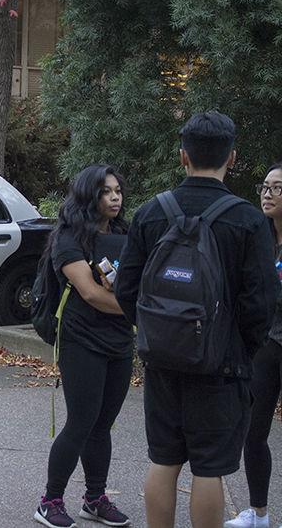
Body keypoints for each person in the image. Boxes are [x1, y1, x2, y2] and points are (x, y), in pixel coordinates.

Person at [115, 112, 279, 528]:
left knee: (163, 459)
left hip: (163, 359)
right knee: (210, 468)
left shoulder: (153, 213)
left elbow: (126, 288)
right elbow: (260, 300)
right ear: (233, 157)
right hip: (223, 364)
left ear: (182, 156)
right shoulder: (247, 220)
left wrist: (157, 332)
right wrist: (241, 346)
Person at [34, 164, 133, 528]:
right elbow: (91, 293)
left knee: (103, 424)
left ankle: (95, 498)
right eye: (106, 191)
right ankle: (50, 501)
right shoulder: (69, 238)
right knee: (81, 421)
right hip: (81, 339)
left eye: (118, 190)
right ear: (89, 195)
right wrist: (139, 309)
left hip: (120, 339)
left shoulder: (125, 234)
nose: (115, 197)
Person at [225, 162, 282, 528]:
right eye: (265, 186)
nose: (267, 193)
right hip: (266, 343)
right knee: (254, 430)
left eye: (277, 188)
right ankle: (259, 514)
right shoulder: (258, 237)